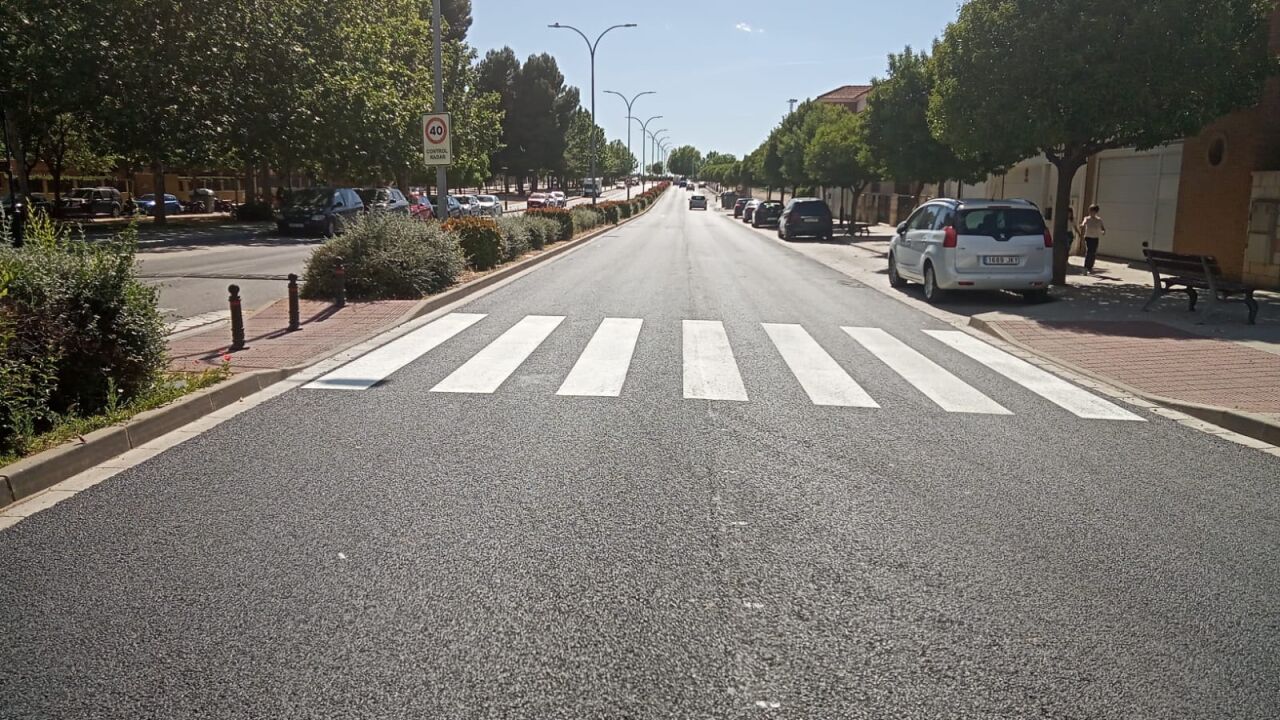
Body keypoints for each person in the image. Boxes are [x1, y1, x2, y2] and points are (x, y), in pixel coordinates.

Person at [1079, 204, 1106, 274]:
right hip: (1088, 237)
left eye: (1093, 211)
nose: (1091, 213)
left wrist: (1103, 231)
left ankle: (1090, 267)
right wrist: (1082, 225)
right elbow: (1084, 223)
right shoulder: (1087, 218)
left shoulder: (1099, 220)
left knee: (1093, 253)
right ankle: (1085, 267)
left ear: (1096, 212)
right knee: (1089, 251)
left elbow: (1102, 228)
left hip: (1095, 238)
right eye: (1090, 211)